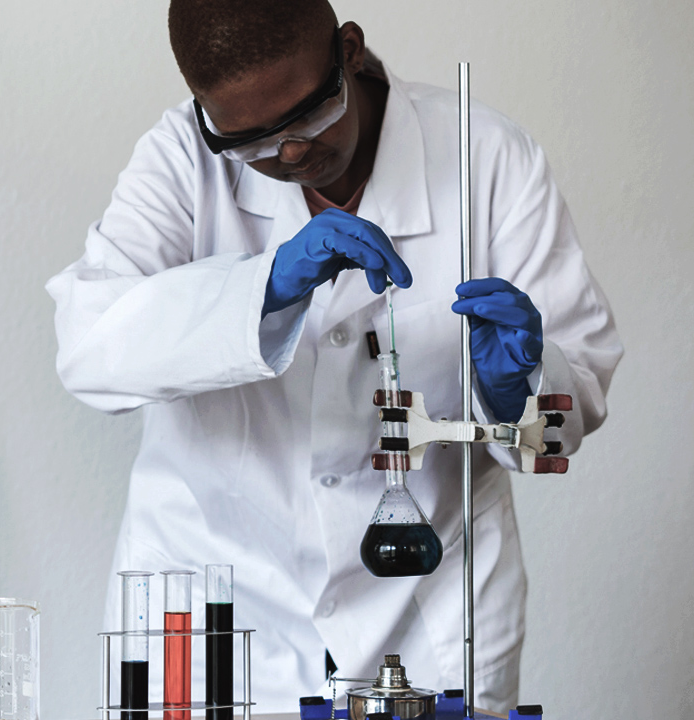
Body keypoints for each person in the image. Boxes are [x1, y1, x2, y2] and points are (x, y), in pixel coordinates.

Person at [45, 0, 622, 712]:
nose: (287, 153)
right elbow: (90, 347)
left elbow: (570, 407)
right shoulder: (181, 160)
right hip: (211, 617)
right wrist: (265, 288)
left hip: (425, 614)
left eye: (307, 118)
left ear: (348, 51)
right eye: (251, 142)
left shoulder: (486, 157)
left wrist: (519, 388)